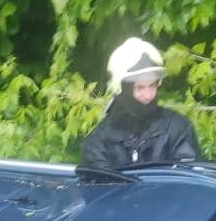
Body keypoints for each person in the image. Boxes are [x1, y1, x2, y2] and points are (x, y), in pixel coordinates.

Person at [80, 37, 199, 170]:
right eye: (140, 87)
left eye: (152, 86)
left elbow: (187, 176)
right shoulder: (99, 141)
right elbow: (99, 181)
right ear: (122, 90)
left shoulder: (177, 128)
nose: (148, 95)